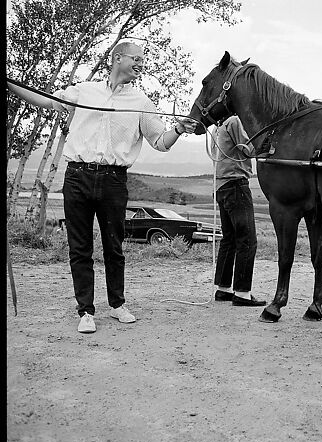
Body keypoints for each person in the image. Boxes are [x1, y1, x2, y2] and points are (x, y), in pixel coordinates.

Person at [7, 41, 197, 334]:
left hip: (113, 180)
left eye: (143, 61)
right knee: (79, 247)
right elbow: (42, 99)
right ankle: (85, 311)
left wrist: (180, 129)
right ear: (117, 58)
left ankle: (117, 304)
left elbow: (160, 142)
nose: (141, 64)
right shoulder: (83, 91)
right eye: (136, 59)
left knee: (114, 246)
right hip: (77, 177)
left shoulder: (141, 102)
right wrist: (9, 83)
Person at [211, 115, 266, 307]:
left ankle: (223, 289)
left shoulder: (219, 126)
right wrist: (266, 142)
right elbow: (248, 149)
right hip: (236, 184)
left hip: (221, 186)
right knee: (247, 239)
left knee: (230, 239)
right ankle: (242, 293)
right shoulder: (235, 121)